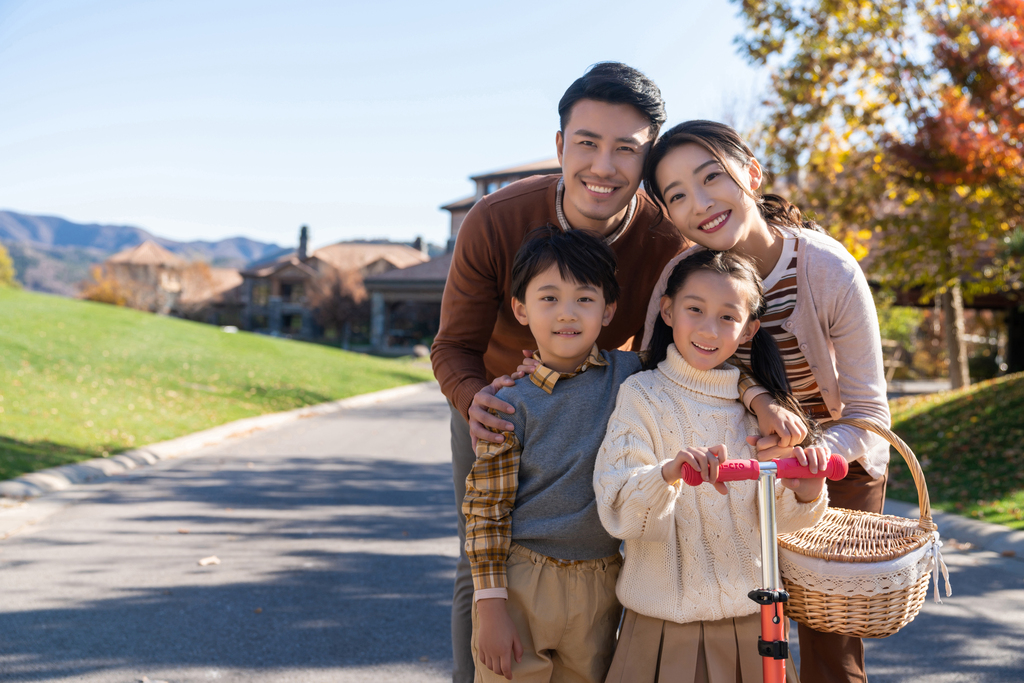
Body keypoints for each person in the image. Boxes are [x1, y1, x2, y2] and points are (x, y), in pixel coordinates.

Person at [432, 66, 803, 683]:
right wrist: (476, 401)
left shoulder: (666, 238)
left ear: (646, 158)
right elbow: (452, 347)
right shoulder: (493, 220)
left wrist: (758, 393)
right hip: (497, 400)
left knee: (603, 544)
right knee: (485, 558)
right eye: (587, 143)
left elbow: (699, 340)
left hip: (607, 391)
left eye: (626, 149)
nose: (603, 165)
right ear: (560, 147)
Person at [640, 120, 891, 683]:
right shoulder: (680, 279)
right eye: (677, 196)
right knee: (744, 631)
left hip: (838, 468)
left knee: (829, 647)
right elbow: (658, 370)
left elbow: (871, 417)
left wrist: (810, 455)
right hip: (736, 469)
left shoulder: (827, 270)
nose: (700, 204)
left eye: (712, 178)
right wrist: (754, 397)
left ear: (751, 173)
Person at [594, 249, 830, 683]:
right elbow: (620, 509)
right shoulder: (641, 395)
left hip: (755, 624)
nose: (708, 328)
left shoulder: (760, 413)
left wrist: (807, 489)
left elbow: (782, 525)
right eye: (695, 309)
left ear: (748, 330)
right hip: (662, 628)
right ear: (668, 310)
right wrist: (668, 473)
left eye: (727, 317)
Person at [463, 226, 640, 683]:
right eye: (549, 298)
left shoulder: (633, 378)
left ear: (609, 309)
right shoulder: (509, 403)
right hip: (522, 580)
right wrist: (491, 607)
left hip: (602, 582)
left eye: (584, 299)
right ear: (521, 309)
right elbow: (486, 510)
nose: (567, 314)